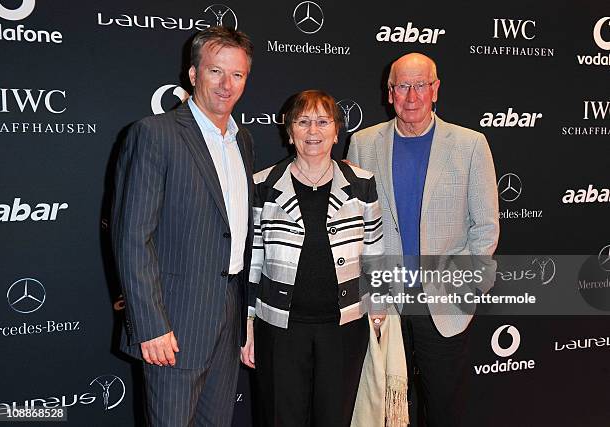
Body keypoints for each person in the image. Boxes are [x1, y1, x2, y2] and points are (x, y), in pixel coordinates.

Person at [112, 27, 254, 426]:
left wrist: (244, 319)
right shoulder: (155, 134)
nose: (227, 85)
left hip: (227, 315)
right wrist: (150, 325)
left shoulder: (243, 140)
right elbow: (132, 238)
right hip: (173, 321)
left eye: (237, 75)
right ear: (193, 74)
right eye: (215, 72)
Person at [347, 53, 500, 427]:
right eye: (402, 86)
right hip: (385, 303)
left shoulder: (470, 144)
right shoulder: (363, 144)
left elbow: (485, 229)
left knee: (445, 410)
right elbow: (351, 225)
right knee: (386, 411)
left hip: (444, 305)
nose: (411, 96)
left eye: (420, 85)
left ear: (435, 90)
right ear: (389, 93)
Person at [240, 90, 385, 427]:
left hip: (344, 329)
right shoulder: (263, 185)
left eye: (322, 121)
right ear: (290, 132)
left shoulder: (362, 184)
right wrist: (247, 324)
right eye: (303, 122)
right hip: (278, 329)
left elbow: (376, 252)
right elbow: (254, 260)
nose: (313, 131)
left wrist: (378, 315)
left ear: (337, 131)